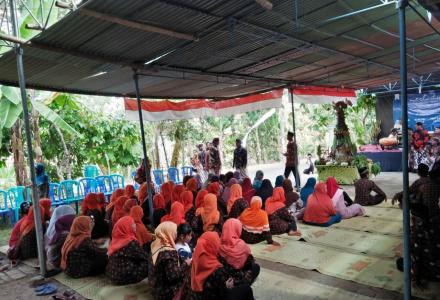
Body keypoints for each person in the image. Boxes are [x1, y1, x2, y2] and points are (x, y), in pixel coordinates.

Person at [396, 164, 440, 283]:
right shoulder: (434, 185)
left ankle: (418, 270)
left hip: (426, 223)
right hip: (431, 218)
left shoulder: (423, 183)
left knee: (414, 243)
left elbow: (408, 192)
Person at [186, 231, 254, 300]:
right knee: (247, 289)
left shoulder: (194, 261)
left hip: (195, 296)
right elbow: (222, 295)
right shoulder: (216, 269)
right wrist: (226, 286)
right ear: (213, 246)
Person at [150, 221, 191, 300]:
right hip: (163, 291)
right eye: (175, 232)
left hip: (154, 286)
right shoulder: (167, 252)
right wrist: (186, 263)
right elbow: (173, 276)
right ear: (168, 233)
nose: (176, 234)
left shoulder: (156, 244)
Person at [106, 216, 149, 285]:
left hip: (112, 274)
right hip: (123, 276)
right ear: (126, 227)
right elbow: (145, 257)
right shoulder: (130, 242)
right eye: (132, 224)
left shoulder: (115, 239)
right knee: (149, 263)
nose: (135, 225)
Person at [219, 219, 260, 286]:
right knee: (256, 267)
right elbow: (250, 261)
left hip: (225, 279)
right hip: (238, 279)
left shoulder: (218, 243)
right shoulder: (242, 245)